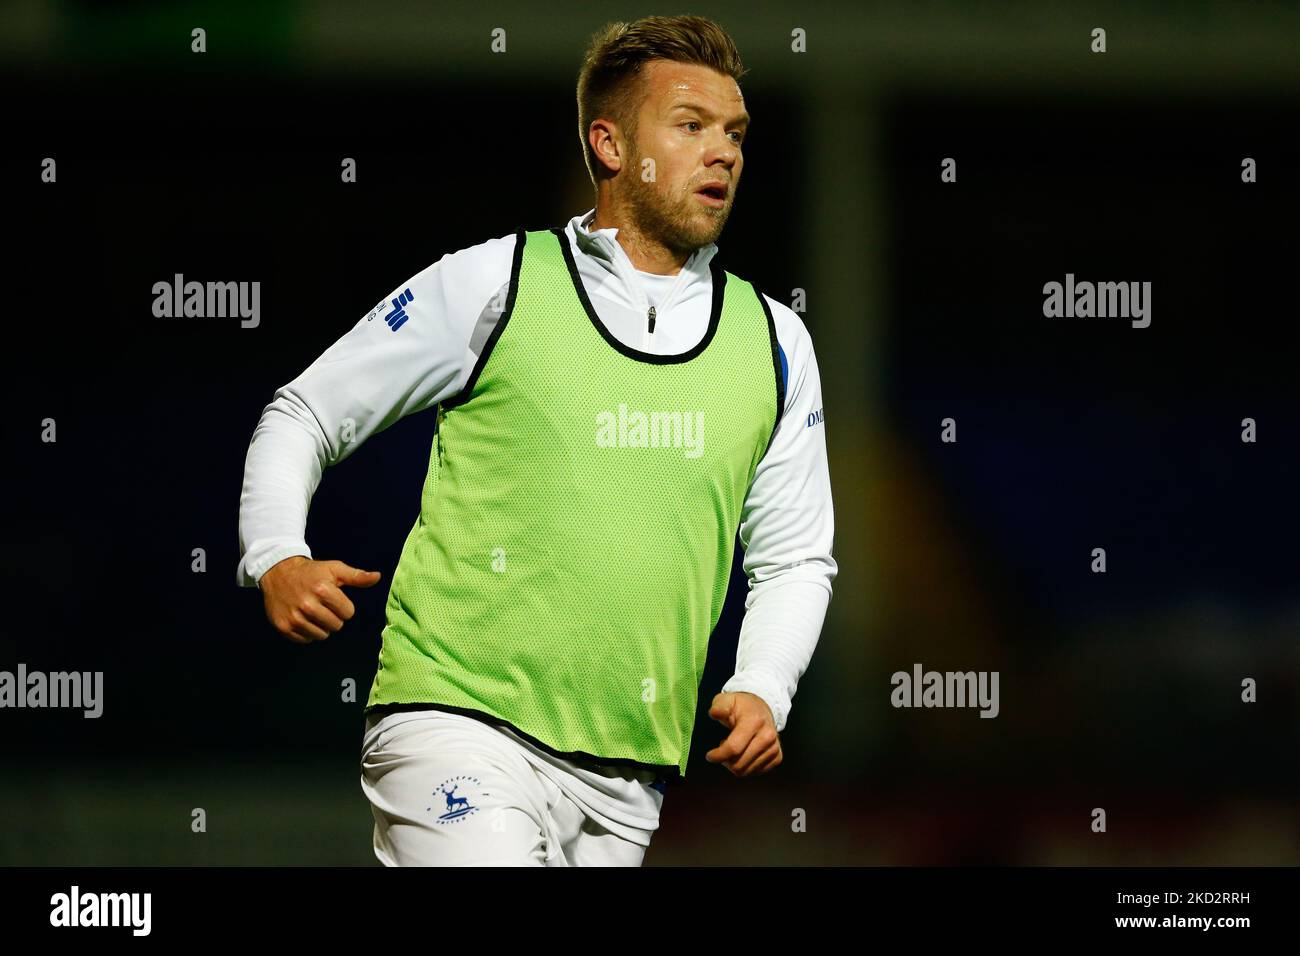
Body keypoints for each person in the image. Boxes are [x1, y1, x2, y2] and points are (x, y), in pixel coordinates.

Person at [236, 14, 836, 866]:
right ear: (611, 145)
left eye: (735, 132)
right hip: (454, 725)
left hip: (629, 781)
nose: (725, 152)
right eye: (691, 125)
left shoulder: (776, 342)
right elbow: (305, 411)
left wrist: (762, 685)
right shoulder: (498, 283)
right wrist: (275, 553)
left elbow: (796, 557)